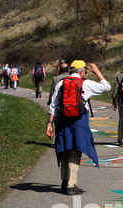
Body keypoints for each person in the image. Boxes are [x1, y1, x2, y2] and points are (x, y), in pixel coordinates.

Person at [47, 60, 111, 195]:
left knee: (65, 150)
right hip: (79, 121)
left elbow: (53, 105)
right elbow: (106, 87)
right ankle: (71, 185)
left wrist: (49, 124)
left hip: (62, 121)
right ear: (81, 71)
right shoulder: (85, 84)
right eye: (86, 71)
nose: (86, 73)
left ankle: (64, 182)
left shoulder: (61, 83)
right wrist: (97, 72)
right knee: (76, 150)